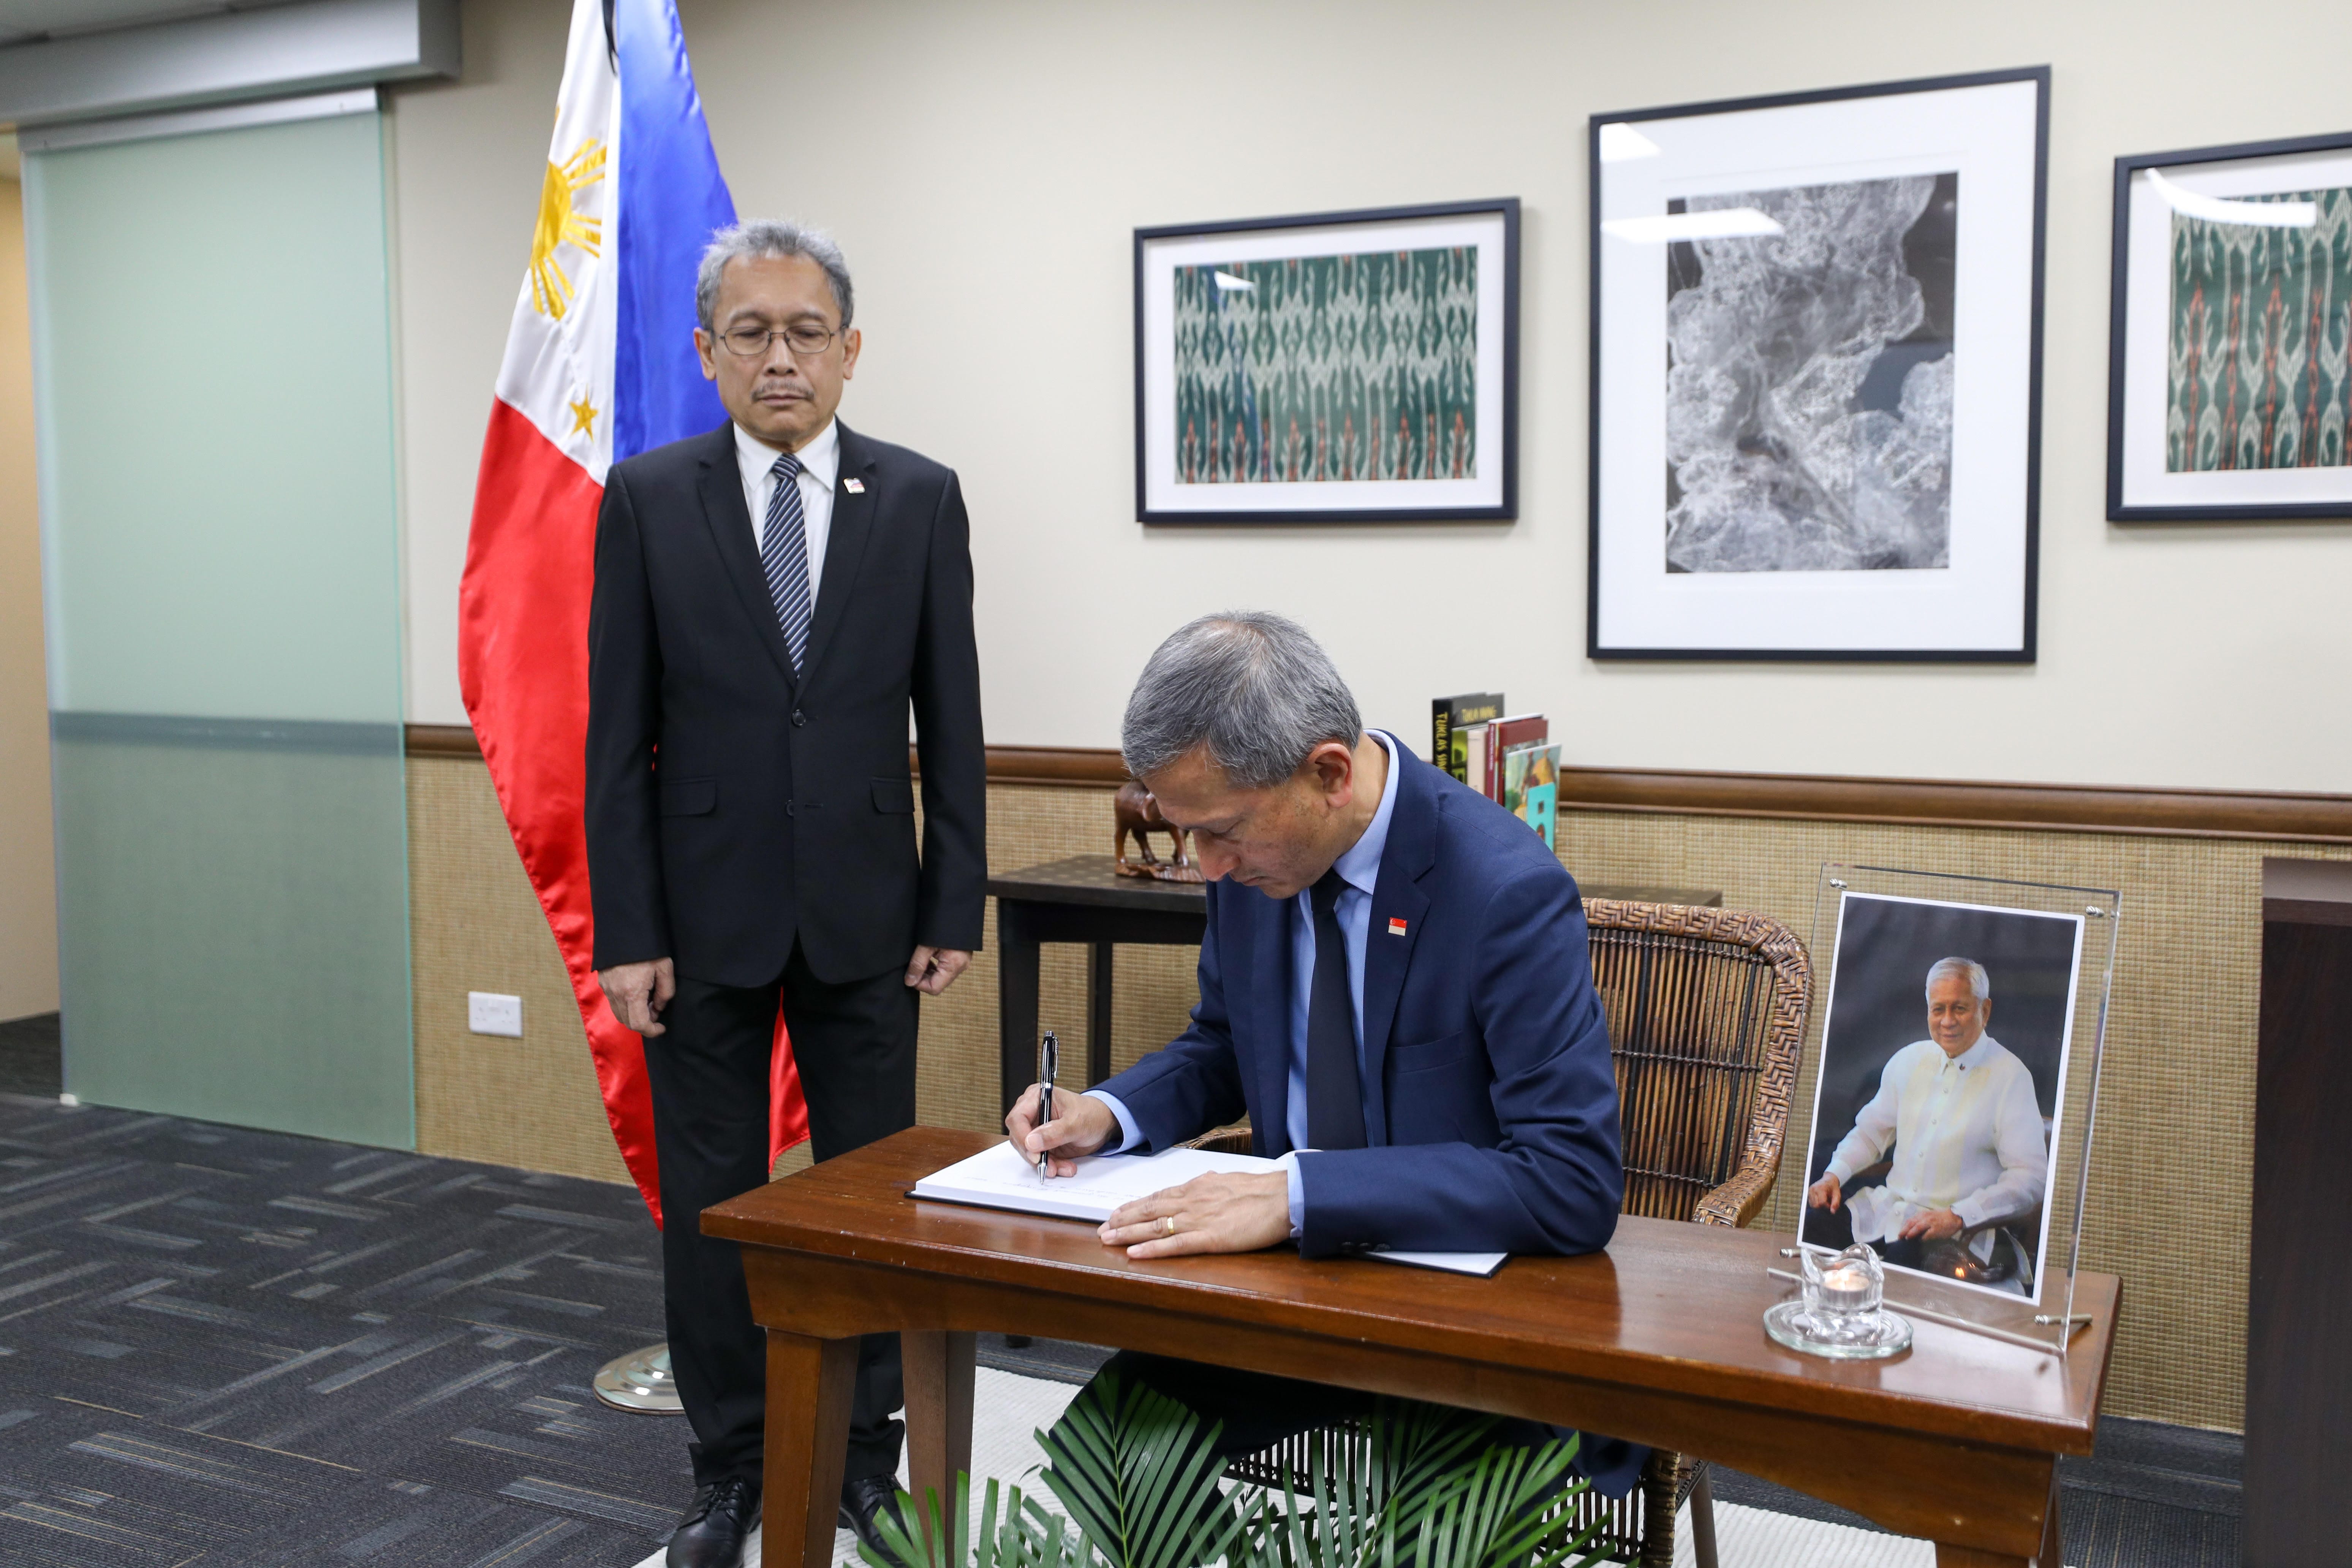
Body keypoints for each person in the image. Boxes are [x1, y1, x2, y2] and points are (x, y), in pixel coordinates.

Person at [1003, 612, 1642, 1497]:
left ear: (1328, 772)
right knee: (1105, 1464)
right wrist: (1108, 1112)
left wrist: (1296, 1193)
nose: (1208, 866)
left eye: (1222, 831)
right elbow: (1227, 1042)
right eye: (1188, 832)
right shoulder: (1258, 869)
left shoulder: (1504, 890)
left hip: (1471, 1323)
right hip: (1292, 1295)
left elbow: (1570, 1179)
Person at [585, 220, 985, 1568]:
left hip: (870, 914)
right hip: (699, 923)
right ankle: (730, 1468)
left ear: (849, 351)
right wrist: (626, 933)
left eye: (804, 330)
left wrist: (953, 901)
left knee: (872, 1198)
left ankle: (865, 1453)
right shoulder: (645, 498)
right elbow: (614, 740)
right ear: (705, 354)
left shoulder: (920, 497)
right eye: (748, 332)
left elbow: (956, 722)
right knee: (714, 1201)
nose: (778, 356)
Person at [1805, 957, 2047, 1273]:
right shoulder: (1907, 1060)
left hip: (1961, 1231)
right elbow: (1870, 1134)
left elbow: (2031, 1178)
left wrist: (1960, 1215)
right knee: (1814, 1226)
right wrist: (1833, 1175)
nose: (1947, 1021)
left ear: (1984, 1011)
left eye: (1959, 1008)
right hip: (1889, 1213)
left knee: (1899, 1268)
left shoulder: (2011, 1077)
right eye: (1938, 1009)